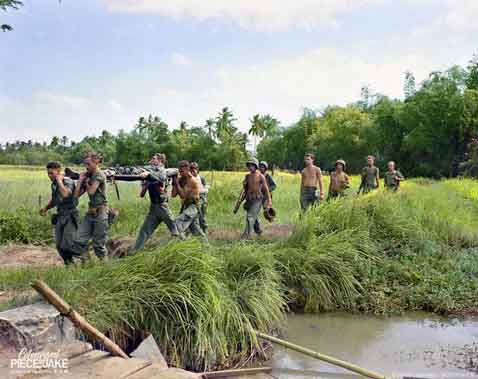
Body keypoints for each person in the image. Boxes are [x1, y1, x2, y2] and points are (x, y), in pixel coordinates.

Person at [130, 155, 180, 254]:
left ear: (160, 161)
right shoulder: (149, 173)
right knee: (144, 231)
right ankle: (133, 252)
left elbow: (160, 179)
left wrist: (149, 174)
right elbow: (142, 194)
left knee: (175, 231)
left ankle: (183, 248)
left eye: (154, 159)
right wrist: (146, 183)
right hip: (153, 208)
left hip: (162, 207)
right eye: (151, 159)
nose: (151, 160)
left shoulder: (163, 171)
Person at [40, 161, 80, 265]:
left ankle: (85, 257)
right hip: (60, 215)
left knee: (68, 244)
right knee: (59, 245)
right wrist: (46, 208)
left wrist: (59, 181)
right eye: (48, 173)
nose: (49, 176)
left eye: (52, 173)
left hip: (70, 215)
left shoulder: (67, 181)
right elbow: (55, 199)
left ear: (58, 172)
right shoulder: (54, 184)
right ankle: (70, 265)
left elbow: (66, 194)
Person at [71, 152, 109, 260]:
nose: (86, 167)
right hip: (91, 212)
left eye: (88, 164)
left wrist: (86, 182)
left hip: (101, 212)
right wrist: (80, 181)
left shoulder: (99, 175)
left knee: (98, 245)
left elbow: (91, 191)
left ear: (96, 162)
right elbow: (76, 195)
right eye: (85, 164)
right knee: (78, 240)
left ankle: (105, 267)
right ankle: (86, 262)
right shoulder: (88, 176)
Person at [172, 160, 207, 241]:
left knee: (178, 221)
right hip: (187, 205)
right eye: (179, 171)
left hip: (194, 206)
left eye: (182, 171)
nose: (180, 173)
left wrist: (177, 183)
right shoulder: (181, 179)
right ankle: (206, 246)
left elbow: (183, 195)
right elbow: (173, 195)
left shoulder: (193, 181)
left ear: (187, 169)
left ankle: (183, 240)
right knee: (196, 230)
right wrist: (174, 183)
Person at [239, 158, 272, 239]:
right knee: (254, 216)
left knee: (250, 217)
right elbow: (245, 190)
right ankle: (258, 231)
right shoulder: (247, 176)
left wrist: (269, 201)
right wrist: (244, 185)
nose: (250, 167)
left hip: (258, 199)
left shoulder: (261, 176)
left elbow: (266, 189)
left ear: (256, 166)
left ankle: (247, 236)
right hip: (249, 199)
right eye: (249, 165)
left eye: (252, 165)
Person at [255, 161, 276, 234]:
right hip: (258, 196)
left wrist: (267, 189)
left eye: (263, 167)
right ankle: (258, 229)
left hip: (266, 196)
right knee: (255, 212)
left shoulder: (267, 176)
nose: (261, 168)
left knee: (267, 211)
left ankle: (271, 219)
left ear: (265, 168)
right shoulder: (256, 175)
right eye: (260, 166)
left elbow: (274, 185)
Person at [190, 162, 208, 234]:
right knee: (193, 218)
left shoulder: (201, 178)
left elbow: (205, 190)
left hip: (201, 199)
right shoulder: (189, 179)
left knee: (202, 217)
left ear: (198, 169)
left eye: (195, 168)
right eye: (192, 168)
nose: (194, 170)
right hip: (191, 200)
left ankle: (204, 230)